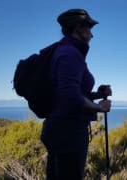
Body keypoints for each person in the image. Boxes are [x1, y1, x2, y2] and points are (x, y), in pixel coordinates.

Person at [41, 9, 112, 180]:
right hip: (68, 132)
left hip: (61, 130)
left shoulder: (68, 52)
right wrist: (99, 107)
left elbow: (72, 92)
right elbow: (70, 97)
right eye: (89, 29)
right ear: (78, 28)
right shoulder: (70, 54)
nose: (91, 35)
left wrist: (97, 94)